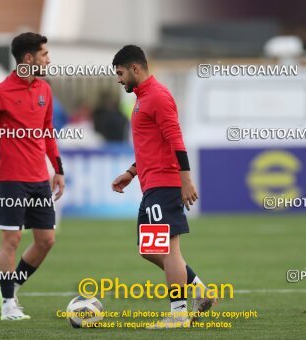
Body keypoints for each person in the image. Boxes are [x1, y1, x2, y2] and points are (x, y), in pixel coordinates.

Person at [111, 45, 216, 329]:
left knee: (169, 251)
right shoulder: (142, 98)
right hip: (151, 184)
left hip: (165, 184)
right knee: (148, 249)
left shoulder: (157, 96)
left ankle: (178, 314)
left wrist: (185, 180)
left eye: (120, 73)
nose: (119, 80)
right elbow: (151, 144)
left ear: (135, 69)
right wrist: (131, 172)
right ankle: (202, 291)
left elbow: (175, 139)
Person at [0, 32, 65, 320]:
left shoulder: (44, 90)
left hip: (39, 179)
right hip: (11, 180)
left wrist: (58, 169)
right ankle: (9, 305)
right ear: (28, 58)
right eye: (44, 54)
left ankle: (8, 288)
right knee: (11, 240)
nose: (48, 59)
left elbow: (48, 132)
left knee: (46, 240)